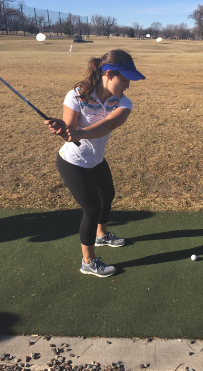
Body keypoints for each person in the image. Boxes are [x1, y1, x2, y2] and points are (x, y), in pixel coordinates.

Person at [44, 49, 145, 278]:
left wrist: (78, 133)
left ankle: (101, 236)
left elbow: (107, 125)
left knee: (107, 195)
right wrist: (63, 129)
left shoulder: (124, 102)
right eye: (125, 79)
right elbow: (69, 132)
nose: (128, 85)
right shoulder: (76, 95)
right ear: (109, 74)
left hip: (96, 160)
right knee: (91, 209)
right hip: (72, 161)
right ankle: (88, 262)